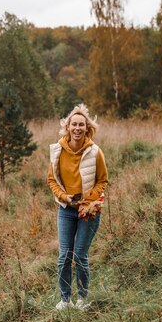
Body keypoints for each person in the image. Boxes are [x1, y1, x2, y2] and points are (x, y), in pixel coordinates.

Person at [47, 104, 108, 310]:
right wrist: (65, 197)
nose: (77, 128)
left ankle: (82, 299)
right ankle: (65, 300)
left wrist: (87, 198)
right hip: (66, 210)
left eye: (81, 125)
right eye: (74, 124)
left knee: (80, 256)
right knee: (64, 256)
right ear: (68, 126)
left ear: (87, 128)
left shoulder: (95, 152)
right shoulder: (57, 151)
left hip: (88, 210)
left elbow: (103, 180)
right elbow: (51, 180)